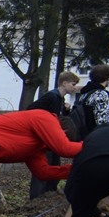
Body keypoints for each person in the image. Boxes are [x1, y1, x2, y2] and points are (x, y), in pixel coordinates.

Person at [27, 70, 79, 199]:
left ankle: (50, 192)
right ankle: (37, 196)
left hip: (54, 136)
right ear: (65, 83)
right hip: (46, 137)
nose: (74, 87)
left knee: (55, 163)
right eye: (73, 84)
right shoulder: (51, 96)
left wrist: (65, 111)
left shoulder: (60, 99)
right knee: (44, 165)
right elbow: (31, 109)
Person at [73, 64, 109, 136]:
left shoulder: (84, 94)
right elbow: (103, 123)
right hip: (98, 138)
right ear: (107, 78)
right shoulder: (101, 94)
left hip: (85, 137)